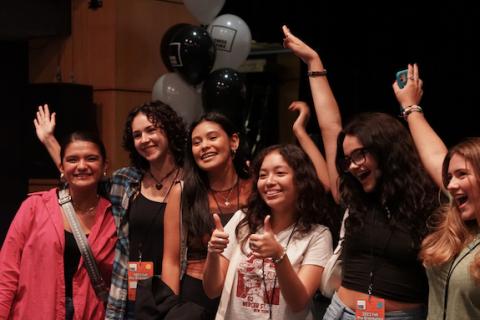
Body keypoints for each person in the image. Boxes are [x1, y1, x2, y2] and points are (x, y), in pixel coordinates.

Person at [283, 25, 439, 319]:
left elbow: (439, 160)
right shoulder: (354, 196)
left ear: (386, 152)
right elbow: (331, 128)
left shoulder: (426, 200)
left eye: (360, 155)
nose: (353, 166)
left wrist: (411, 108)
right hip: (339, 311)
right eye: (348, 159)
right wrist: (314, 64)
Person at [34, 101, 187, 319]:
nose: (144, 139)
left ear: (169, 130)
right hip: (131, 295)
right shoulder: (126, 181)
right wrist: (49, 140)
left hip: (179, 293)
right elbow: (80, 174)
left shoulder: (192, 183)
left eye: (151, 130)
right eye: (137, 135)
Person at [203, 144, 333, 319]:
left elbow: (298, 302)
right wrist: (212, 252)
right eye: (263, 175)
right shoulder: (243, 220)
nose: (269, 181)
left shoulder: (318, 235)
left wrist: (279, 255)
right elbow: (212, 290)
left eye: (280, 173)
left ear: (301, 180)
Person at [393, 64, 480, 319]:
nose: (450, 185)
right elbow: (434, 156)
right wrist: (410, 107)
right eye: (449, 177)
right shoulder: (463, 223)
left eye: (462, 175)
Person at [0, 131, 117, 319]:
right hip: (36, 312)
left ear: (104, 165)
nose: (82, 166)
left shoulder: (115, 217)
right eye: (72, 159)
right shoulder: (34, 207)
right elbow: (6, 272)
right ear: (61, 167)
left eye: (91, 158)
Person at [162, 112, 253, 318]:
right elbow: (171, 259)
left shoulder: (256, 187)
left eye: (212, 138)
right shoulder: (184, 192)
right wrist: (171, 309)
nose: (204, 146)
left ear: (234, 141)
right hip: (197, 297)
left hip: (247, 294)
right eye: (196, 142)